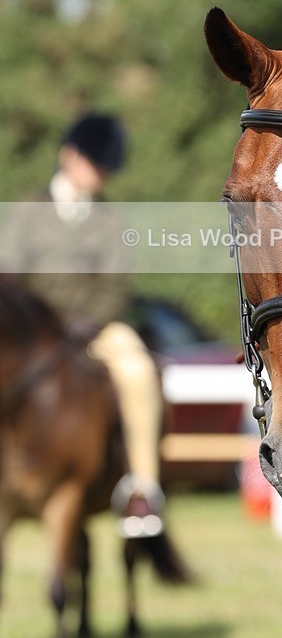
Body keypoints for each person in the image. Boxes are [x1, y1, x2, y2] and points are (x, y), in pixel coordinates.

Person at [0, 112, 166, 538]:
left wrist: (89, 320)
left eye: (104, 167)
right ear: (69, 156)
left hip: (93, 329)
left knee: (137, 368)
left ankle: (141, 491)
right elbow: (10, 277)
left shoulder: (109, 220)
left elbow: (115, 285)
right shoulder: (27, 210)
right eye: (95, 163)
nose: (100, 174)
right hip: (34, 334)